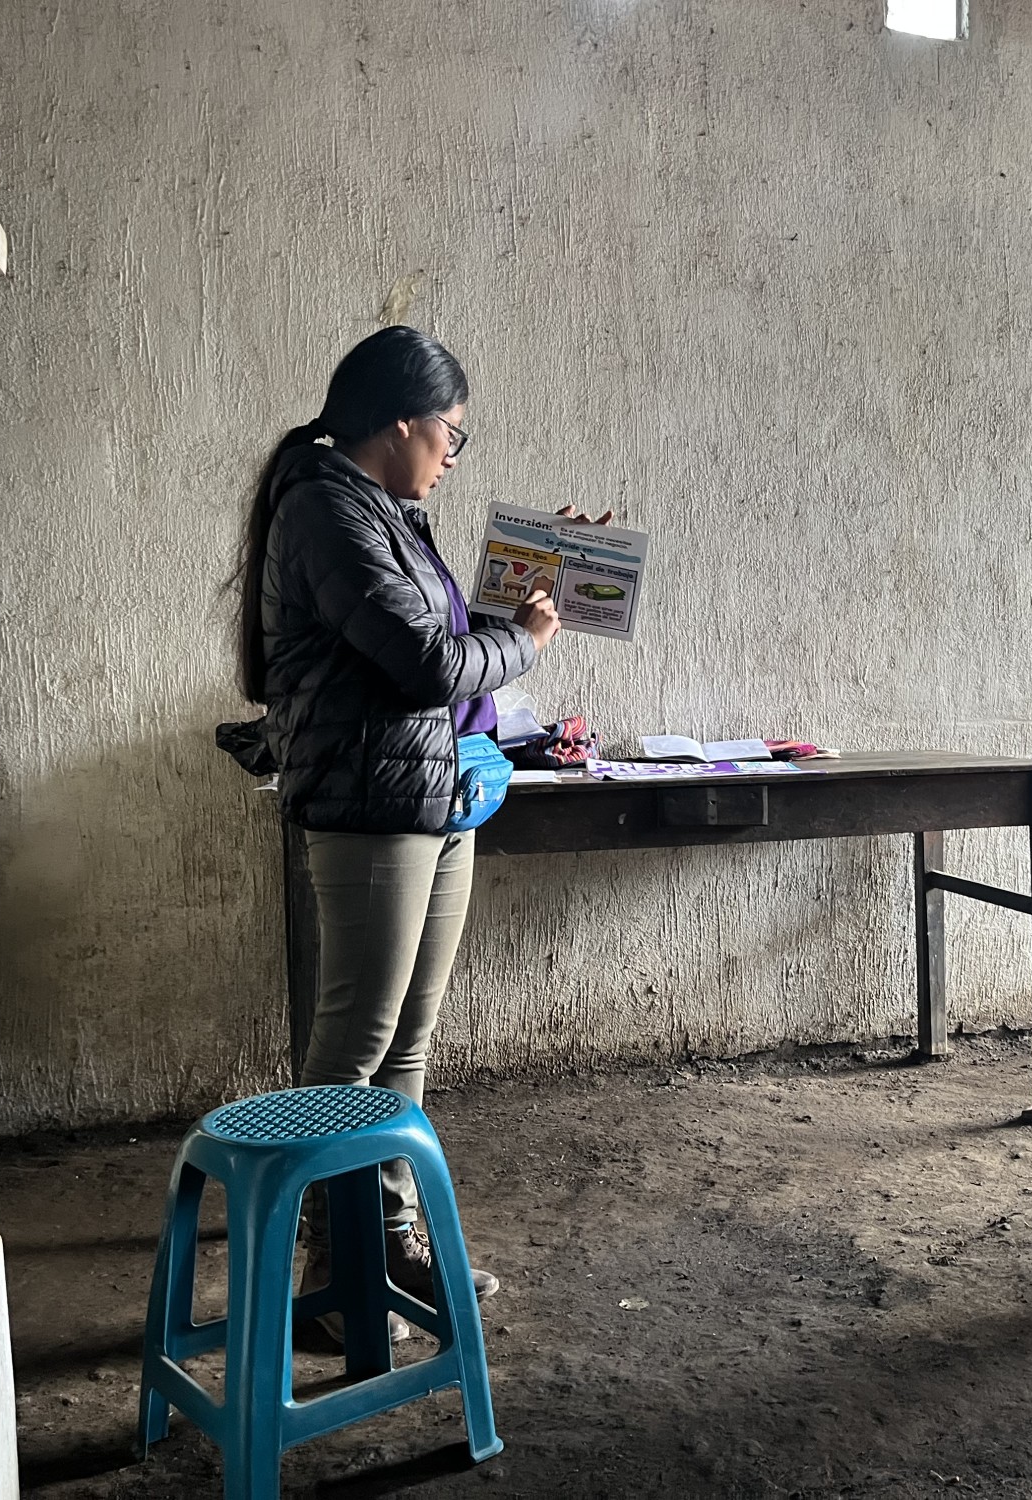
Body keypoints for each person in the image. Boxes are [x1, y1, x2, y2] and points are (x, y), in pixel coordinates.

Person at [237, 325, 600, 1344]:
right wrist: (525, 644)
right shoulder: (322, 508)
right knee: (352, 1047)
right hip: (366, 805)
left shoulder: (388, 511)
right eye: (450, 433)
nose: (452, 454)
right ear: (399, 422)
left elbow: (440, 624)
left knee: (405, 1047)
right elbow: (427, 665)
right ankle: (323, 1272)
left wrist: (549, 566)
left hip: (433, 800)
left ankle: (386, 1241)